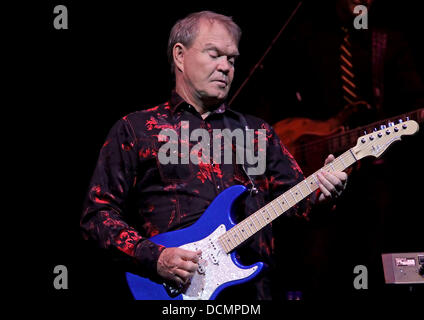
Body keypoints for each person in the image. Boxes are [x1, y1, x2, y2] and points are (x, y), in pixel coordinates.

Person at [80, 10, 348, 300]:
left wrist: (321, 198)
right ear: (180, 56)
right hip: (175, 294)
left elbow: (301, 206)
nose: (226, 67)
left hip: (255, 294)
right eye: (214, 55)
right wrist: (155, 257)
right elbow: (97, 216)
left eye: (231, 59)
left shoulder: (257, 132)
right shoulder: (136, 129)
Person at [245, 0, 424, 299]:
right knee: (319, 267)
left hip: (379, 175)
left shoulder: (387, 40)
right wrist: (287, 138)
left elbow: (414, 103)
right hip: (314, 176)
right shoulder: (304, 37)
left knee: (390, 258)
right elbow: (272, 95)